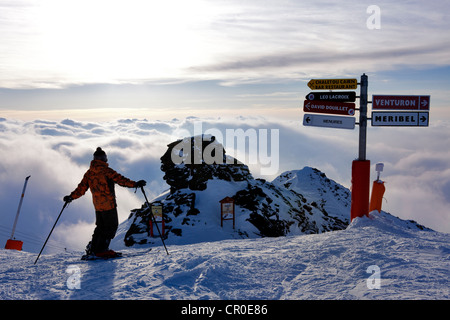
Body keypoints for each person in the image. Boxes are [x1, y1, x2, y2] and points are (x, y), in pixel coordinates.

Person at [64, 147, 146, 258]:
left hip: (98, 206)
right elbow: (121, 180)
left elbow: (81, 188)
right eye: (104, 157)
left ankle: (94, 248)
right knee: (110, 227)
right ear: (103, 158)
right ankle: (101, 250)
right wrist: (135, 184)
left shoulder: (89, 173)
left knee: (100, 227)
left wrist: (71, 197)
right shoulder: (107, 171)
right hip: (109, 205)